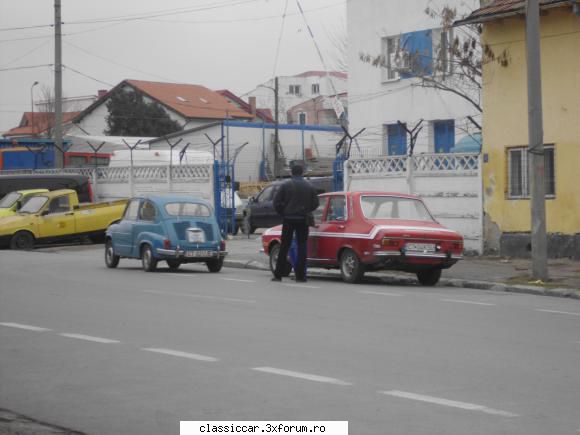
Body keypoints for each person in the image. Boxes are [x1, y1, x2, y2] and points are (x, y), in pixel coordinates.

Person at [271, 164, 319, 282]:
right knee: (302, 246)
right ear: (302, 173)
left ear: (292, 173)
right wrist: (306, 210)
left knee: (284, 246)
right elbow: (315, 203)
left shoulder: (285, 185)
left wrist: (283, 212)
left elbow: (276, 202)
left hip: (289, 219)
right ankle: (300, 276)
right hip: (303, 219)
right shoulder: (309, 186)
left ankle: (278, 275)